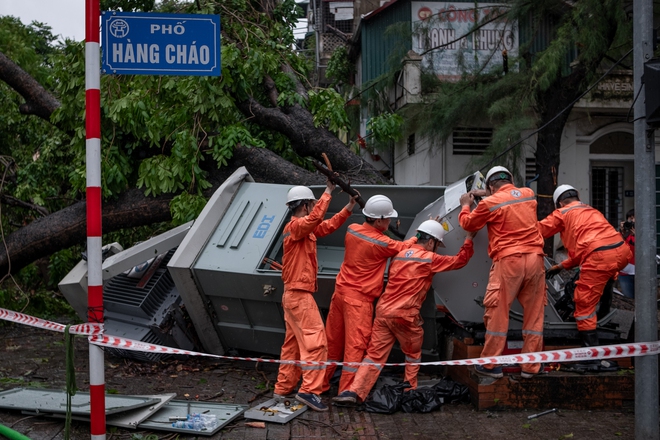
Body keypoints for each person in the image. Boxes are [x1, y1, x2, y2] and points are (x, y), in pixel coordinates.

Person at [332, 220, 475, 404]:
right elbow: (459, 261)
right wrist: (469, 239)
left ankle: (353, 392)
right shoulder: (429, 259)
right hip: (405, 315)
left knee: (374, 356)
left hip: (383, 312)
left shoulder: (398, 255)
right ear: (431, 242)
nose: (437, 249)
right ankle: (409, 391)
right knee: (412, 354)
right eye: (437, 245)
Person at [273, 181, 358, 412]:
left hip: (293, 296)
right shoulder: (296, 227)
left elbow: (326, 225)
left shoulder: (302, 230)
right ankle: (309, 392)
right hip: (299, 297)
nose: (314, 207)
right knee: (316, 344)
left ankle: (283, 389)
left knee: (292, 346)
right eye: (312, 204)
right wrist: (328, 192)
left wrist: (348, 208)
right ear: (306, 205)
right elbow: (314, 221)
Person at [323, 195, 418, 396]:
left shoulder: (352, 230)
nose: (390, 222)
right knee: (355, 348)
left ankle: (318, 386)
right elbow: (403, 247)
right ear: (378, 220)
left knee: (332, 343)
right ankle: (347, 391)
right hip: (359, 301)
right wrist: (417, 235)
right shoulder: (382, 243)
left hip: (339, 294)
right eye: (388, 219)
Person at [458, 166, 546, 379]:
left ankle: (491, 365)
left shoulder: (489, 204)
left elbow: (467, 224)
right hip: (535, 259)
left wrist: (466, 205)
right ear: (511, 179)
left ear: (489, 186)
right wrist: (486, 194)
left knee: (498, 312)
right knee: (534, 315)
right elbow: (507, 199)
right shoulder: (528, 194)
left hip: (509, 262)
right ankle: (531, 367)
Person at [540, 185, 631, 348]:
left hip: (600, 256)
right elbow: (587, 250)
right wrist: (560, 266)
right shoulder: (591, 211)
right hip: (621, 252)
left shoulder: (562, 213)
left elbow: (538, 231)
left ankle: (590, 354)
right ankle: (603, 316)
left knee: (583, 302)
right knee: (607, 277)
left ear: (560, 203)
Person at [617, 209, 635, 298]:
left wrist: (637, 236)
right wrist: (622, 232)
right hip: (625, 273)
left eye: (634, 218)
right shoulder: (625, 235)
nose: (632, 221)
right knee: (629, 299)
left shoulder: (646, 234)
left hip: (641, 272)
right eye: (630, 219)